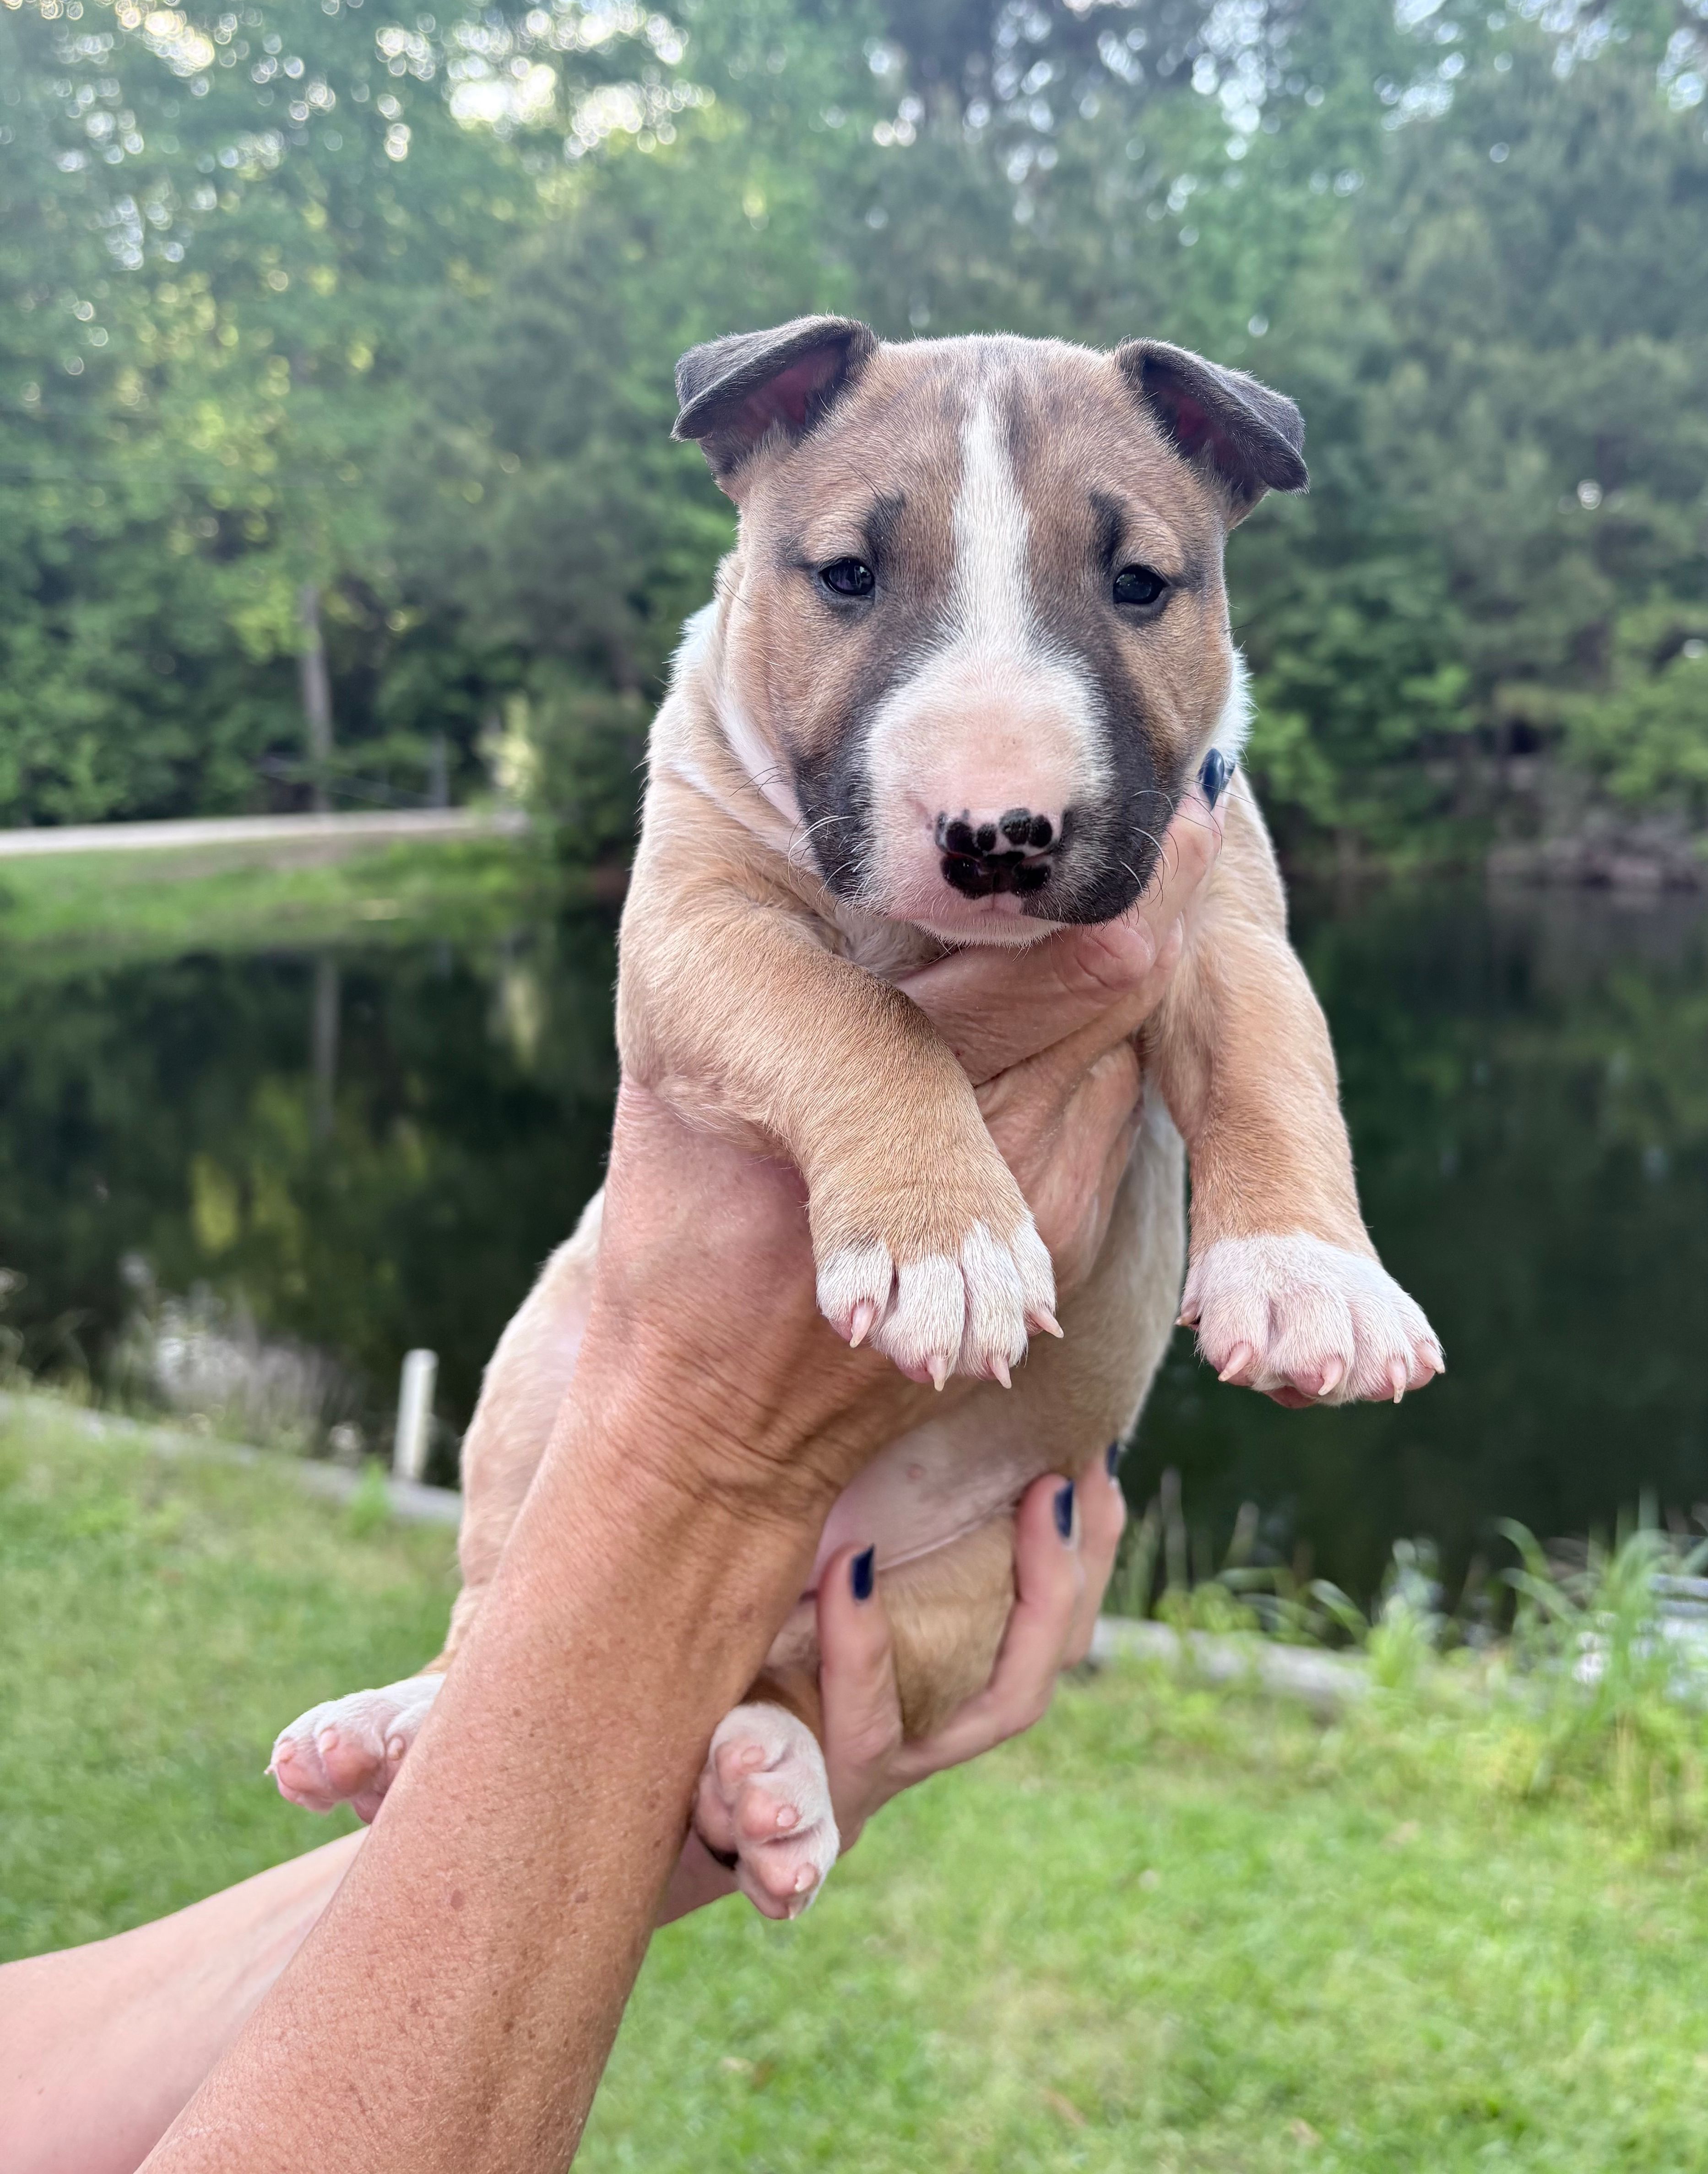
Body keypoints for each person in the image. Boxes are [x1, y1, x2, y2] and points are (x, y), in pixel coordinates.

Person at [0, 797, 1222, 2174]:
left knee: (947, 1594)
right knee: (571, 1338)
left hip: (954, 1502)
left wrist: (591, 1797)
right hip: (852, 1387)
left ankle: (646, 1705)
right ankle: (493, 1664)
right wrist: (709, 1458)